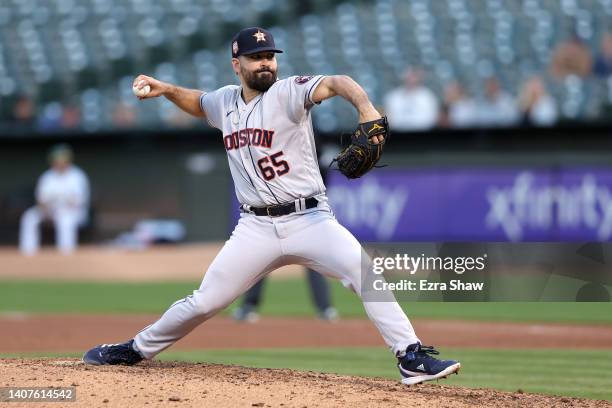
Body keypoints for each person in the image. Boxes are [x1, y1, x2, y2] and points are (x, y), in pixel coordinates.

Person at [82, 27, 460, 386]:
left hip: (310, 218)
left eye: (269, 56)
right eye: (255, 57)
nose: (265, 63)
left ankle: (410, 357)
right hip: (255, 228)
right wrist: (165, 89)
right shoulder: (225, 101)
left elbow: (336, 82)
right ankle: (134, 350)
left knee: (365, 274)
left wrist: (366, 109)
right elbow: (198, 103)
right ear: (237, 64)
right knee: (204, 302)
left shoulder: (288, 93)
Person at [19, 144, 90, 255]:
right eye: (57, 159)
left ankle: (66, 253)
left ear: (68, 160)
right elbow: (40, 200)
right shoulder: (47, 176)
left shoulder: (77, 176)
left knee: (65, 218)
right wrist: (47, 209)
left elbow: (77, 202)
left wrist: (60, 205)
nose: (60, 162)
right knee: (29, 216)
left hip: (73, 212)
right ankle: (28, 251)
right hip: (50, 210)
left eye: (63, 159)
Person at [232, 268, 339, 322]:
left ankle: (325, 308)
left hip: (303, 227)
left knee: (315, 260)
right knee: (259, 262)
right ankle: (248, 307)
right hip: (272, 228)